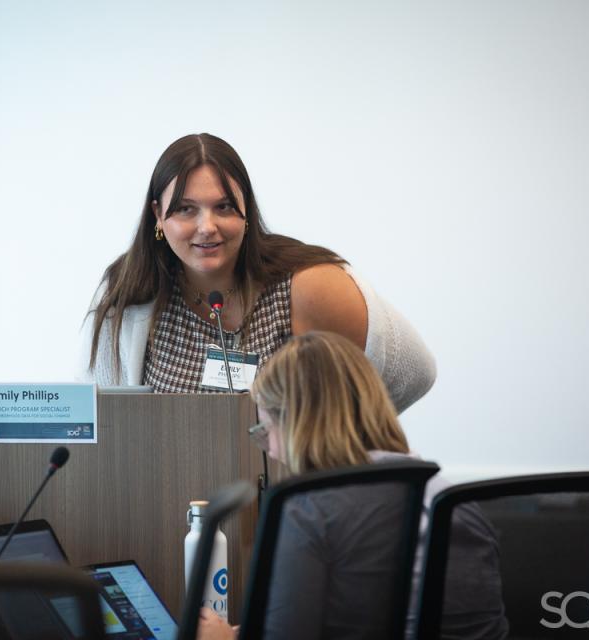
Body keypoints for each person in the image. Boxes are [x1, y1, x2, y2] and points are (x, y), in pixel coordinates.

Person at [77, 133, 435, 412]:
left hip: (290, 486)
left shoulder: (308, 286)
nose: (207, 227)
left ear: (247, 210)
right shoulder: (131, 289)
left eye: (224, 207)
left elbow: (414, 373)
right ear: (158, 215)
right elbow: (97, 419)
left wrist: (338, 447)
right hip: (172, 484)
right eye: (186, 209)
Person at [197, 331, 508, 640]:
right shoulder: (451, 499)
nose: (273, 452)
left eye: (266, 430)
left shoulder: (311, 511)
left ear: (297, 427)